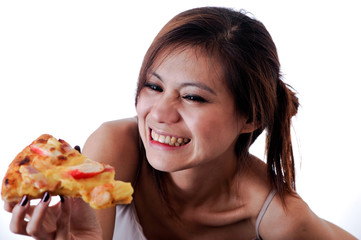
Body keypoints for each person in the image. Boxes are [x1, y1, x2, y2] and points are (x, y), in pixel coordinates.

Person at [4, 6, 357, 240]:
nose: (160, 112)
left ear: (251, 117)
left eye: (193, 97)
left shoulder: (279, 215)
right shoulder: (115, 148)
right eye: (154, 86)